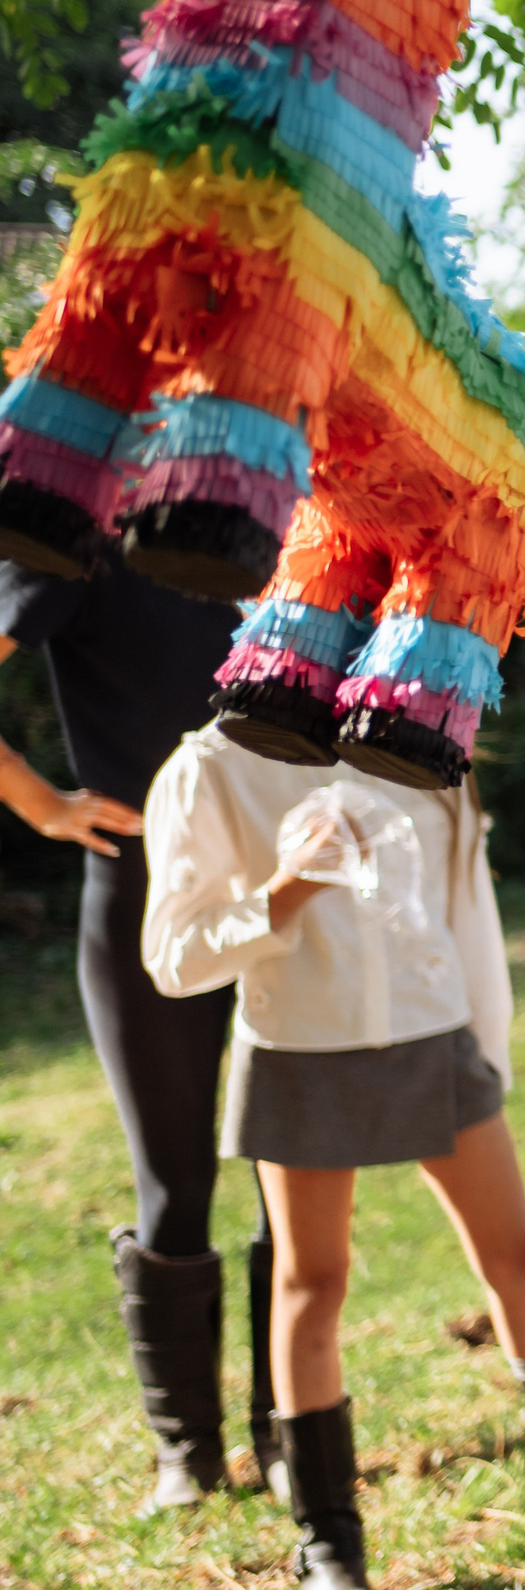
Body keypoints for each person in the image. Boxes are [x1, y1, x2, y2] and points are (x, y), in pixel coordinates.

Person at [139, 731, 525, 1590]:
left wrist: (487, 1049)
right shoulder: (213, 764)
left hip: (434, 1032)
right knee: (314, 1280)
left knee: (518, 1253)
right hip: (301, 1046)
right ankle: (329, 1540)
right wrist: (286, 890)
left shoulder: (424, 735)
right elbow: (173, 959)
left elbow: (465, 905)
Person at [0, 555, 277, 1511]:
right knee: (176, 1178)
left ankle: (289, 1431)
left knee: (292, 1166)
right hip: (141, 898)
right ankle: (187, 1453)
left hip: (287, 890)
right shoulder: (81, 539)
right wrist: (42, 803)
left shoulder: (284, 521)